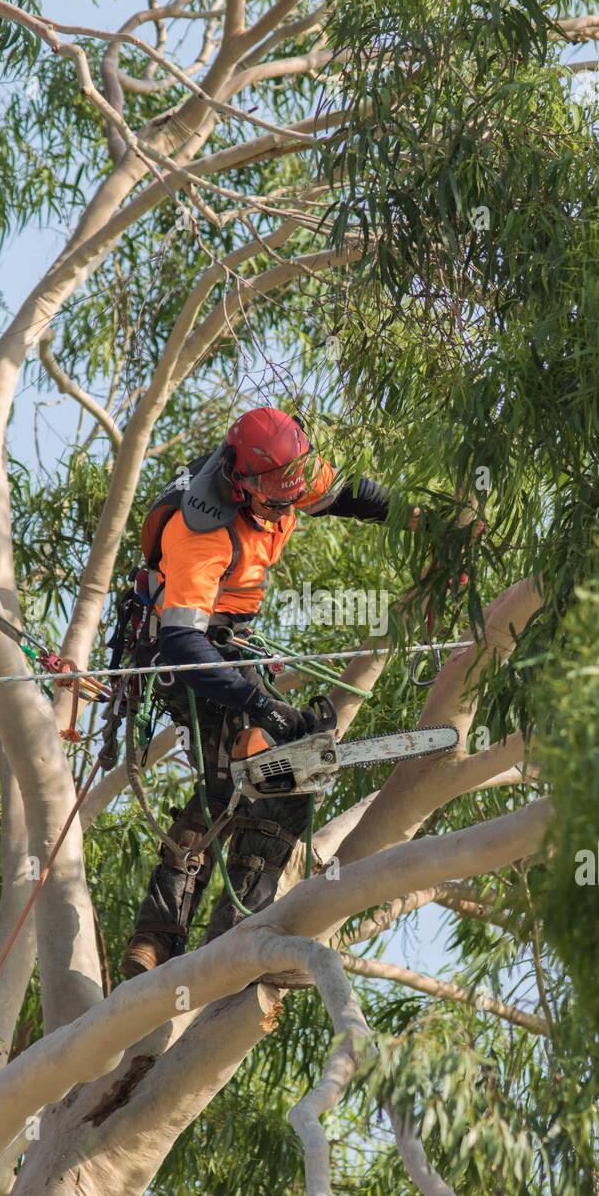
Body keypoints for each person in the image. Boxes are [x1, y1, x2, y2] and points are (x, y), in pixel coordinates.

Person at [122, 406, 390, 977]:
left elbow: (344, 495)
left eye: (291, 492)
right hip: (192, 656)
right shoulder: (203, 530)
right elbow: (182, 646)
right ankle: (230, 935)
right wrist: (260, 704)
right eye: (273, 497)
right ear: (239, 482)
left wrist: (416, 517)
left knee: (242, 784)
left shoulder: (284, 473)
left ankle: (160, 935)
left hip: (233, 642)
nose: (286, 506)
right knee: (281, 779)